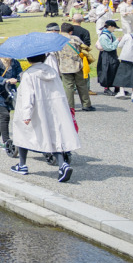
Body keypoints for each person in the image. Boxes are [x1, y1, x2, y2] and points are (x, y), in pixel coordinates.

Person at [11, 53, 80, 182]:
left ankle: (22, 165)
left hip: (36, 109)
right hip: (53, 108)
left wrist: (26, 114)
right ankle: (62, 165)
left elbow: (27, 96)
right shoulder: (52, 71)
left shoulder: (28, 74)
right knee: (54, 136)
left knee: (22, 134)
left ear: (28, 58)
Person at [57, 25, 96, 111]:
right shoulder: (75, 39)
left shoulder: (57, 40)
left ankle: (70, 106)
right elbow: (84, 48)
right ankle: (86, 104)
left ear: (61, 30)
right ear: (71, 31)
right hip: (77, 65)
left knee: (68, 86)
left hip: (64, 66)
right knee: (82, 85)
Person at [0, 56, 22, 152]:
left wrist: (18, 78)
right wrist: (6, 80)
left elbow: (20, 73)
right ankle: (6, 141)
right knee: (5, 115)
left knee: (3, 115)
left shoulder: (14, 62)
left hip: (9, 92)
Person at [96, 19, 121, 95]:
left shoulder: (110, 33)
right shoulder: (104, 36)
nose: (114, 29)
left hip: (112, 54)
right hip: (107, 54)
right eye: (114, 27)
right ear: (110, 26)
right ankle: (106, 88)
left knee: (115, 69)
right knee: (107, 70)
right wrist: (117, 41)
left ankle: (117, 87)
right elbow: (109, 47)